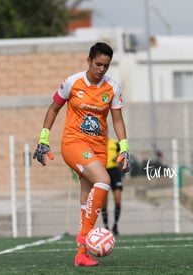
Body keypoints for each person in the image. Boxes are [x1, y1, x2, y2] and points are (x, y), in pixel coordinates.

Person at [33, 42, 130, 267]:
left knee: (87, 199)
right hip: (73, 143)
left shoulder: (112, 88)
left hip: (98, 148)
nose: (101, 70)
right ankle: (85, 237)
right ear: (88, 60)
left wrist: (124, 146)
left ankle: (81, 254)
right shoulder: (72, 82)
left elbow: (117, 120)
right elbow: (54, 108)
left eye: (106, 66)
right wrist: (44, 138)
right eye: (98, 64)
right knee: (104, 180)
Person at [101, 137, 123, 236]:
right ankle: (106, 226)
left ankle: (115, 225)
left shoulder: (114, 143)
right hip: (103, 171)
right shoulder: (97, 142)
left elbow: (122, 154)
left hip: (114, 172)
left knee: (118, 200)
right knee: (104, 203)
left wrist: (118, 158)